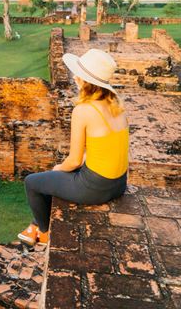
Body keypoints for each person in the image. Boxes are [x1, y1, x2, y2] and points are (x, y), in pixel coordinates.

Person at [18, 48, 129, 246]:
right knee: (55, 179)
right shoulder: (117, 107)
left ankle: (43, 232)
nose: (75, 78)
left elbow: (75, 160)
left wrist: (57, 169)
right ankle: (35, 224)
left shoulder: (84, 110)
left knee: (33, 182)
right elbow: (103, 150)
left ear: (84, 81)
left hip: (96, 188)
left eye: (79, 75)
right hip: (119, 184)